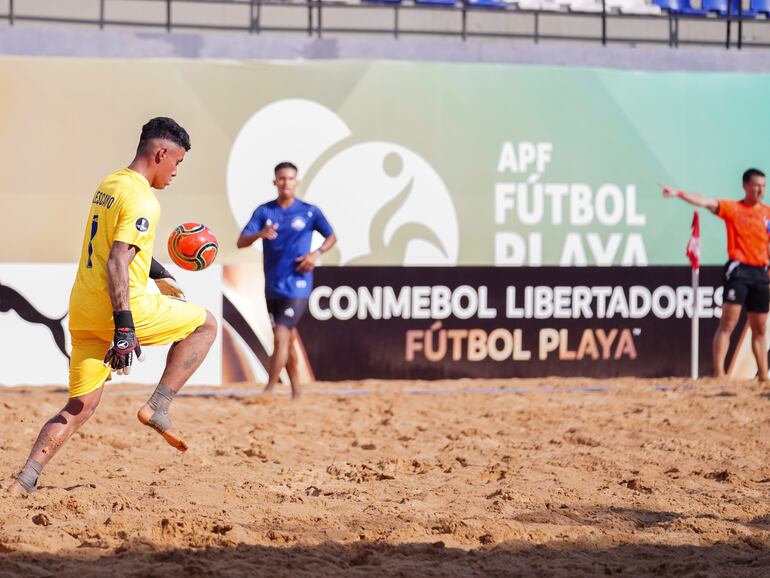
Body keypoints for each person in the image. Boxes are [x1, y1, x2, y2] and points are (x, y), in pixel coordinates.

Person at [7, 117, 218, 496]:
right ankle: (158, 405)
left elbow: (112, 244)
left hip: (84, 310)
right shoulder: (143, 200)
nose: (175, 172)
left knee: (79, 406)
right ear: (161, 153)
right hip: (122, 309)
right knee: (205, 325)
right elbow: (118, 260)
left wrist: (158, 272)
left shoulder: (111, 183)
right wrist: (125, 328)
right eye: (177, 163)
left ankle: (25, 479)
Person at [237, 162, 336, 399]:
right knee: (287, 339)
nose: (286, 183)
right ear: (275, 182)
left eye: (290, 179)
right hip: (272, 284)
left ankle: (270, 388)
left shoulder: (310, 211)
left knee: (281, 334)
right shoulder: (264, 212)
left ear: (296, 182)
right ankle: (297, 390)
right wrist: (260, 234)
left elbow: (331, 236)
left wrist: (317, 253)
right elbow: (241, 241)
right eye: (281, 179)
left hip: (298, 283)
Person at [662, 168, 770, 382]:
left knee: (759, 329)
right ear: (745, 186)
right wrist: (678, 193)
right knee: (728, 323)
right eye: (756, 185)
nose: (760, 190)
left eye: (763, 186)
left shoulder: (767, 213)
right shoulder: (734, 208)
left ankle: (763, 377)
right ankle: (719, 374)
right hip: (739, 270)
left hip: (760, 272)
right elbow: (705, 201)